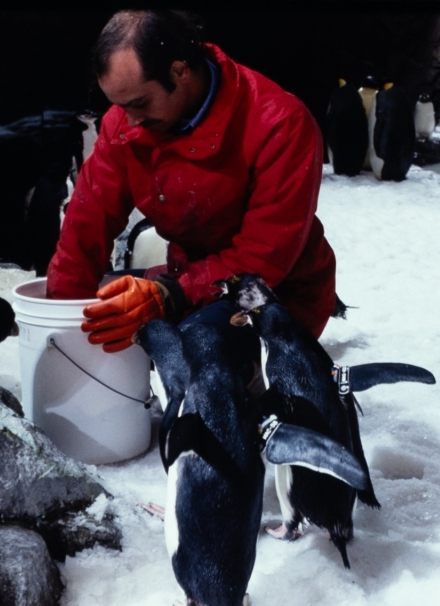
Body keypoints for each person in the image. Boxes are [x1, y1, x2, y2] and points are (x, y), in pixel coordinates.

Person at [46, 10, 337, 352]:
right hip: (185, 278)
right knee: (106, 309)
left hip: (275, 293)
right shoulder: (127, 122)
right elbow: (86, 225)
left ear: (180, 71)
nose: (129, 120)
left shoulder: (280, 124)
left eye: (139, 103)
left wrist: (173, 294)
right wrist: (61, 322)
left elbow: (263, 258)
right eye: (120, 106)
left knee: (209, 359)